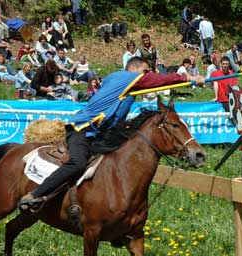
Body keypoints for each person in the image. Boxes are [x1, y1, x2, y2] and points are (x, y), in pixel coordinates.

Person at [18, 56, 204, 212]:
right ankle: (36, 194)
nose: (147, 75)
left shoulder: (127, 91)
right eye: (145, 70)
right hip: (82, 129)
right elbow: (154, 80)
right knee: (78, 163)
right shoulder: (123, 77)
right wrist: (187, 78)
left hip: (100, 134)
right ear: (133, 68)